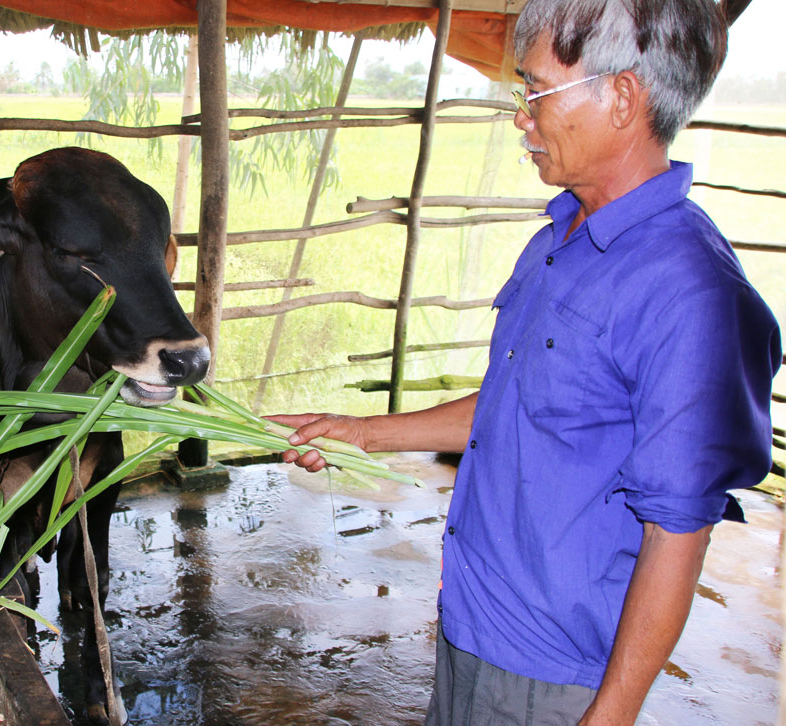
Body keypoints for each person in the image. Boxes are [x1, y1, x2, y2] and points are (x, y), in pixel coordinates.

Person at [268, 1, 782, 724]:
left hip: (556, 670)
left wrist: (611, 714)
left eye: (536, 92)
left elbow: (679, 530)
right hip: (472, 620)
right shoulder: (558, 239)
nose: (520, 118)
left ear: (624, 97)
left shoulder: (691, 294)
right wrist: (362, 432)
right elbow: (516, 408)